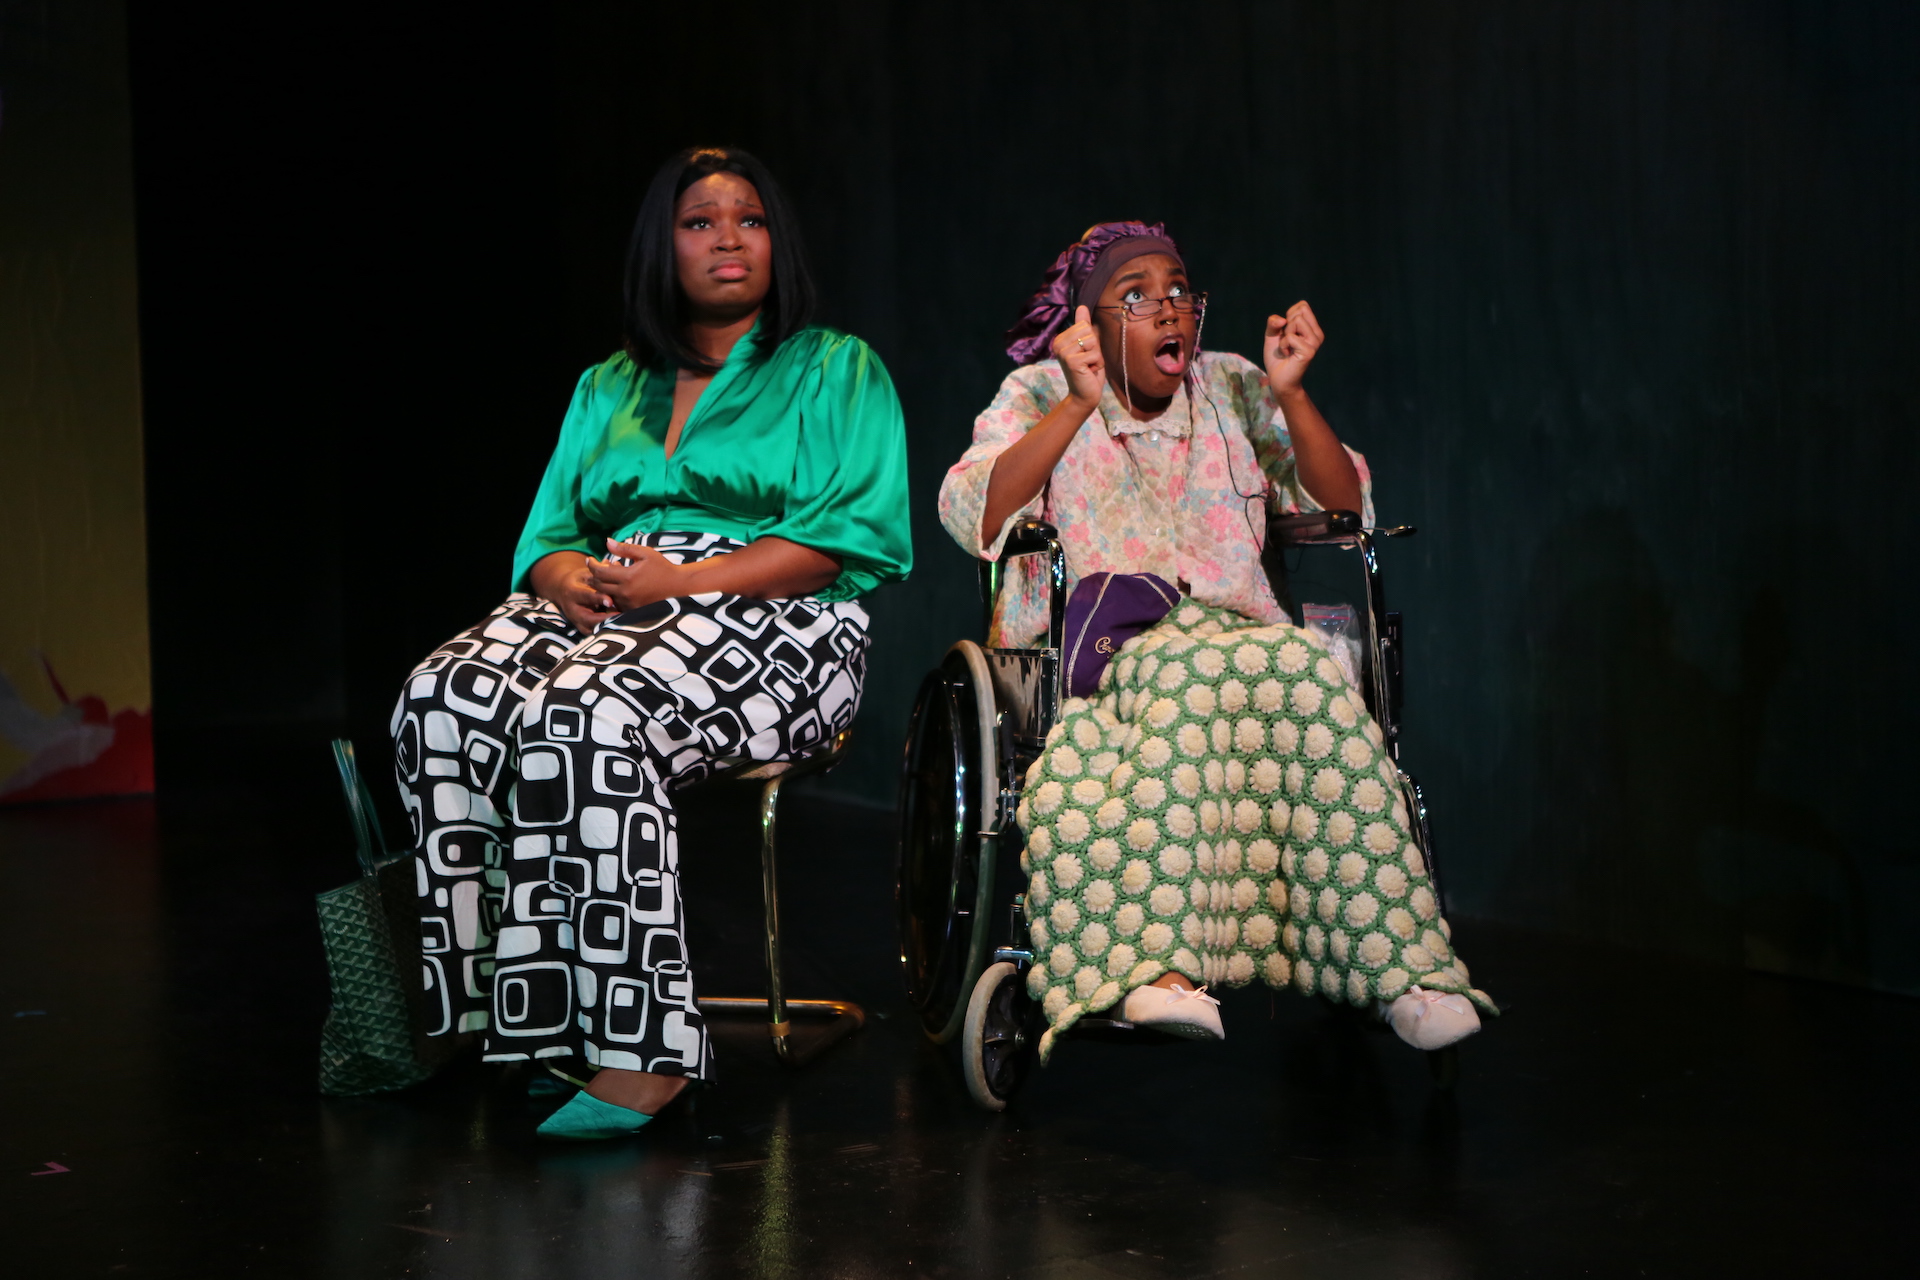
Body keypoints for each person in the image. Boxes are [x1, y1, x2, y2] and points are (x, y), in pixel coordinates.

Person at [393, 146, 911, 1139]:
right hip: (612, 598)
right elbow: (548, 535)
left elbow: (844, 542)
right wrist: (566, 578)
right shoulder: (608, 384)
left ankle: (646, 1051)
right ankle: (516, 1022)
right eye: (699, 222)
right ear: (659, 246)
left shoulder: (833, 367)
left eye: (749, 219)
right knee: (442, 696)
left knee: (587, 709)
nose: (728, 238)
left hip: (778, 617)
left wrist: (681, 581)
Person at [939, 222, 1493, 1062]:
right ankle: (1149, 966)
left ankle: (1402, 970)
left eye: (1179, 291)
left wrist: (1292, 394)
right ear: (1087, 321)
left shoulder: (1232, 384)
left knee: (1310, 669)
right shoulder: (1042, 389)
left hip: (1244, 639)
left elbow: (1343, 506)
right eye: (1136, 296)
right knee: (1191, 676)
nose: (1168, 309)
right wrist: (1078, 404)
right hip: (1111, 649)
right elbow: (972, 511)